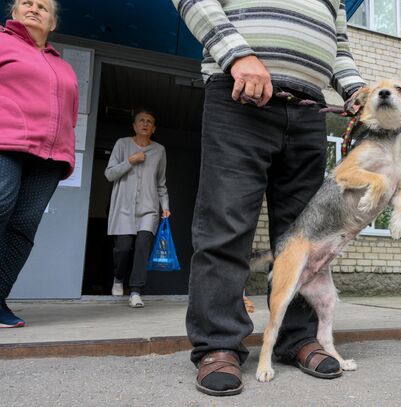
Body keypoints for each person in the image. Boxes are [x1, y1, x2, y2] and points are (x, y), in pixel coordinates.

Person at [174, 0, 366, 396]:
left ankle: (297, 337)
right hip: (239, 94)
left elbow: (339, 47)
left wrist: (355, 89)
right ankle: (219, 345)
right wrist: (237, 54)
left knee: (302, 238)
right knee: (225, 224)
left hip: (309, 110)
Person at [0, 0, 78, 328]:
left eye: (42, 6)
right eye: (26, 3)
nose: (34, 9)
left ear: (53, 22)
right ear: (13, 13)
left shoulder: (62, 65)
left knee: (24, 225)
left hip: (49, 155)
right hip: (6, 141)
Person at [105, 109, 170, 308]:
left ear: (153, 128)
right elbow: (109, 174)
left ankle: (135, 291)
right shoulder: (122, 144)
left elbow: (161, 183)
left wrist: (165, 206)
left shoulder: (159, 150)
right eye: (141, 120)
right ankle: (118, 278)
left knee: (143, 248)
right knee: (123, 248)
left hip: (149, 208)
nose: (145, 123)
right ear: (134, 125)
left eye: (149, 121)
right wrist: (130, 161)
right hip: (123, 207)